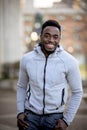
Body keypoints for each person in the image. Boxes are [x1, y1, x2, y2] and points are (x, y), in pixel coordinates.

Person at [17, 19, 83, 130]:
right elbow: (21, 87)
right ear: (41, 36)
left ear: (59, 38)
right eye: (47, 36)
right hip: (30, 117)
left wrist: (66, 121)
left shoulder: (69, 61)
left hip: (55, 119)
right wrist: (20, 112)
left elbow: (77, 92)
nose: (51, 40)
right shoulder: (27, 59)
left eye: (55, 37)